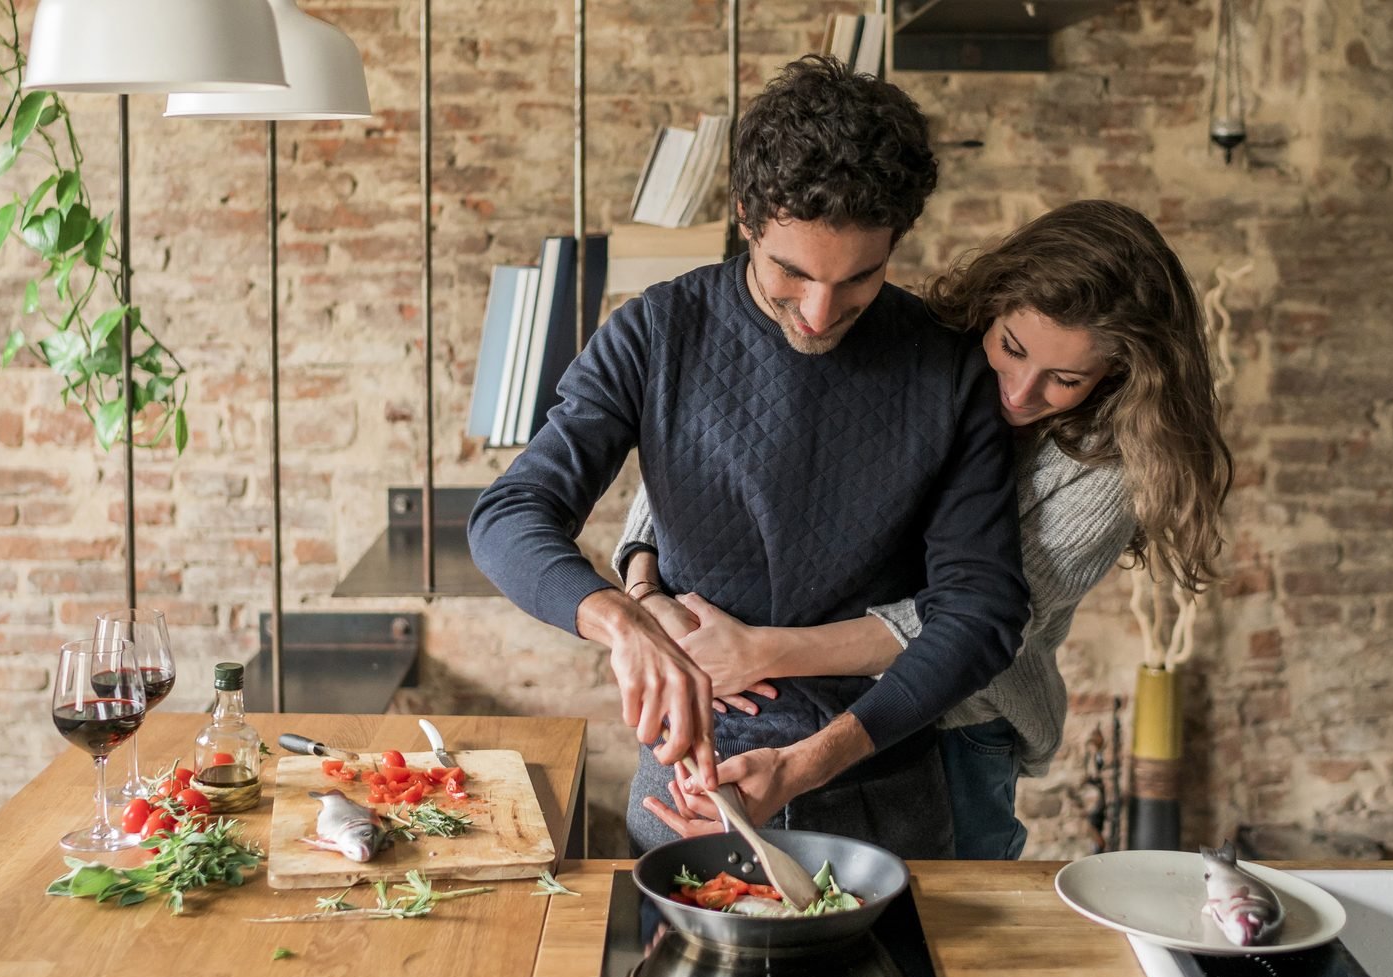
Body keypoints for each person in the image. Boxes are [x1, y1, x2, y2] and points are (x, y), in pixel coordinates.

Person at [467, 55, 1031, 859]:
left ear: (896, 242)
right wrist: (622, 619)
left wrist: (807, 765)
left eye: (858, 279)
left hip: (883, 786)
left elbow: (980, 612)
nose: (818, 312)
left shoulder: (946, 368)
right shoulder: (656, 333)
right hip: (691, 782)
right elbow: (508, 516)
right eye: (790, 274)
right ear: (745, 217)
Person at [620, 199, 1233, 858]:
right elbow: (712, 457)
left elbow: (969, 624)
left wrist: (760, 651)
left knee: (943, 933)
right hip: (787, 692)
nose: (1019, 391)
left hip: (959, 726)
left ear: (1116, 374)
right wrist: (643, 590)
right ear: (991, 308)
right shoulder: (913, 353)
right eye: (1011, 348)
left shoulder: (1108, 476)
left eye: (1064, 379)